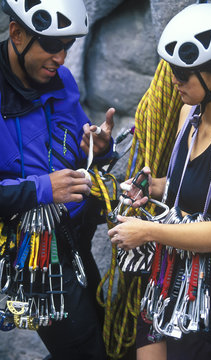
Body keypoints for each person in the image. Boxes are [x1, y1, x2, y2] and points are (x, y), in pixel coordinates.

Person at [109, 3, 211, 360]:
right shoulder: (187, 116)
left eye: (184, 74)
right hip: (166, 277)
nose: (173, 82)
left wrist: (148, 231)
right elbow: (193, 190)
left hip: (209, 292)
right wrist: (152, 188)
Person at [0, 0, 115, 359]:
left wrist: (97, 148)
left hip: (73, 236)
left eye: (67, 46)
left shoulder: (58, 79)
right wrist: (42, 188)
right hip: (32, 254)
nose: (61, 58)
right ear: (16, 33)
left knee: (105, 329)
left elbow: (74, 153)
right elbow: (45, 181)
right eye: (51, 46)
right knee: (84, 349)